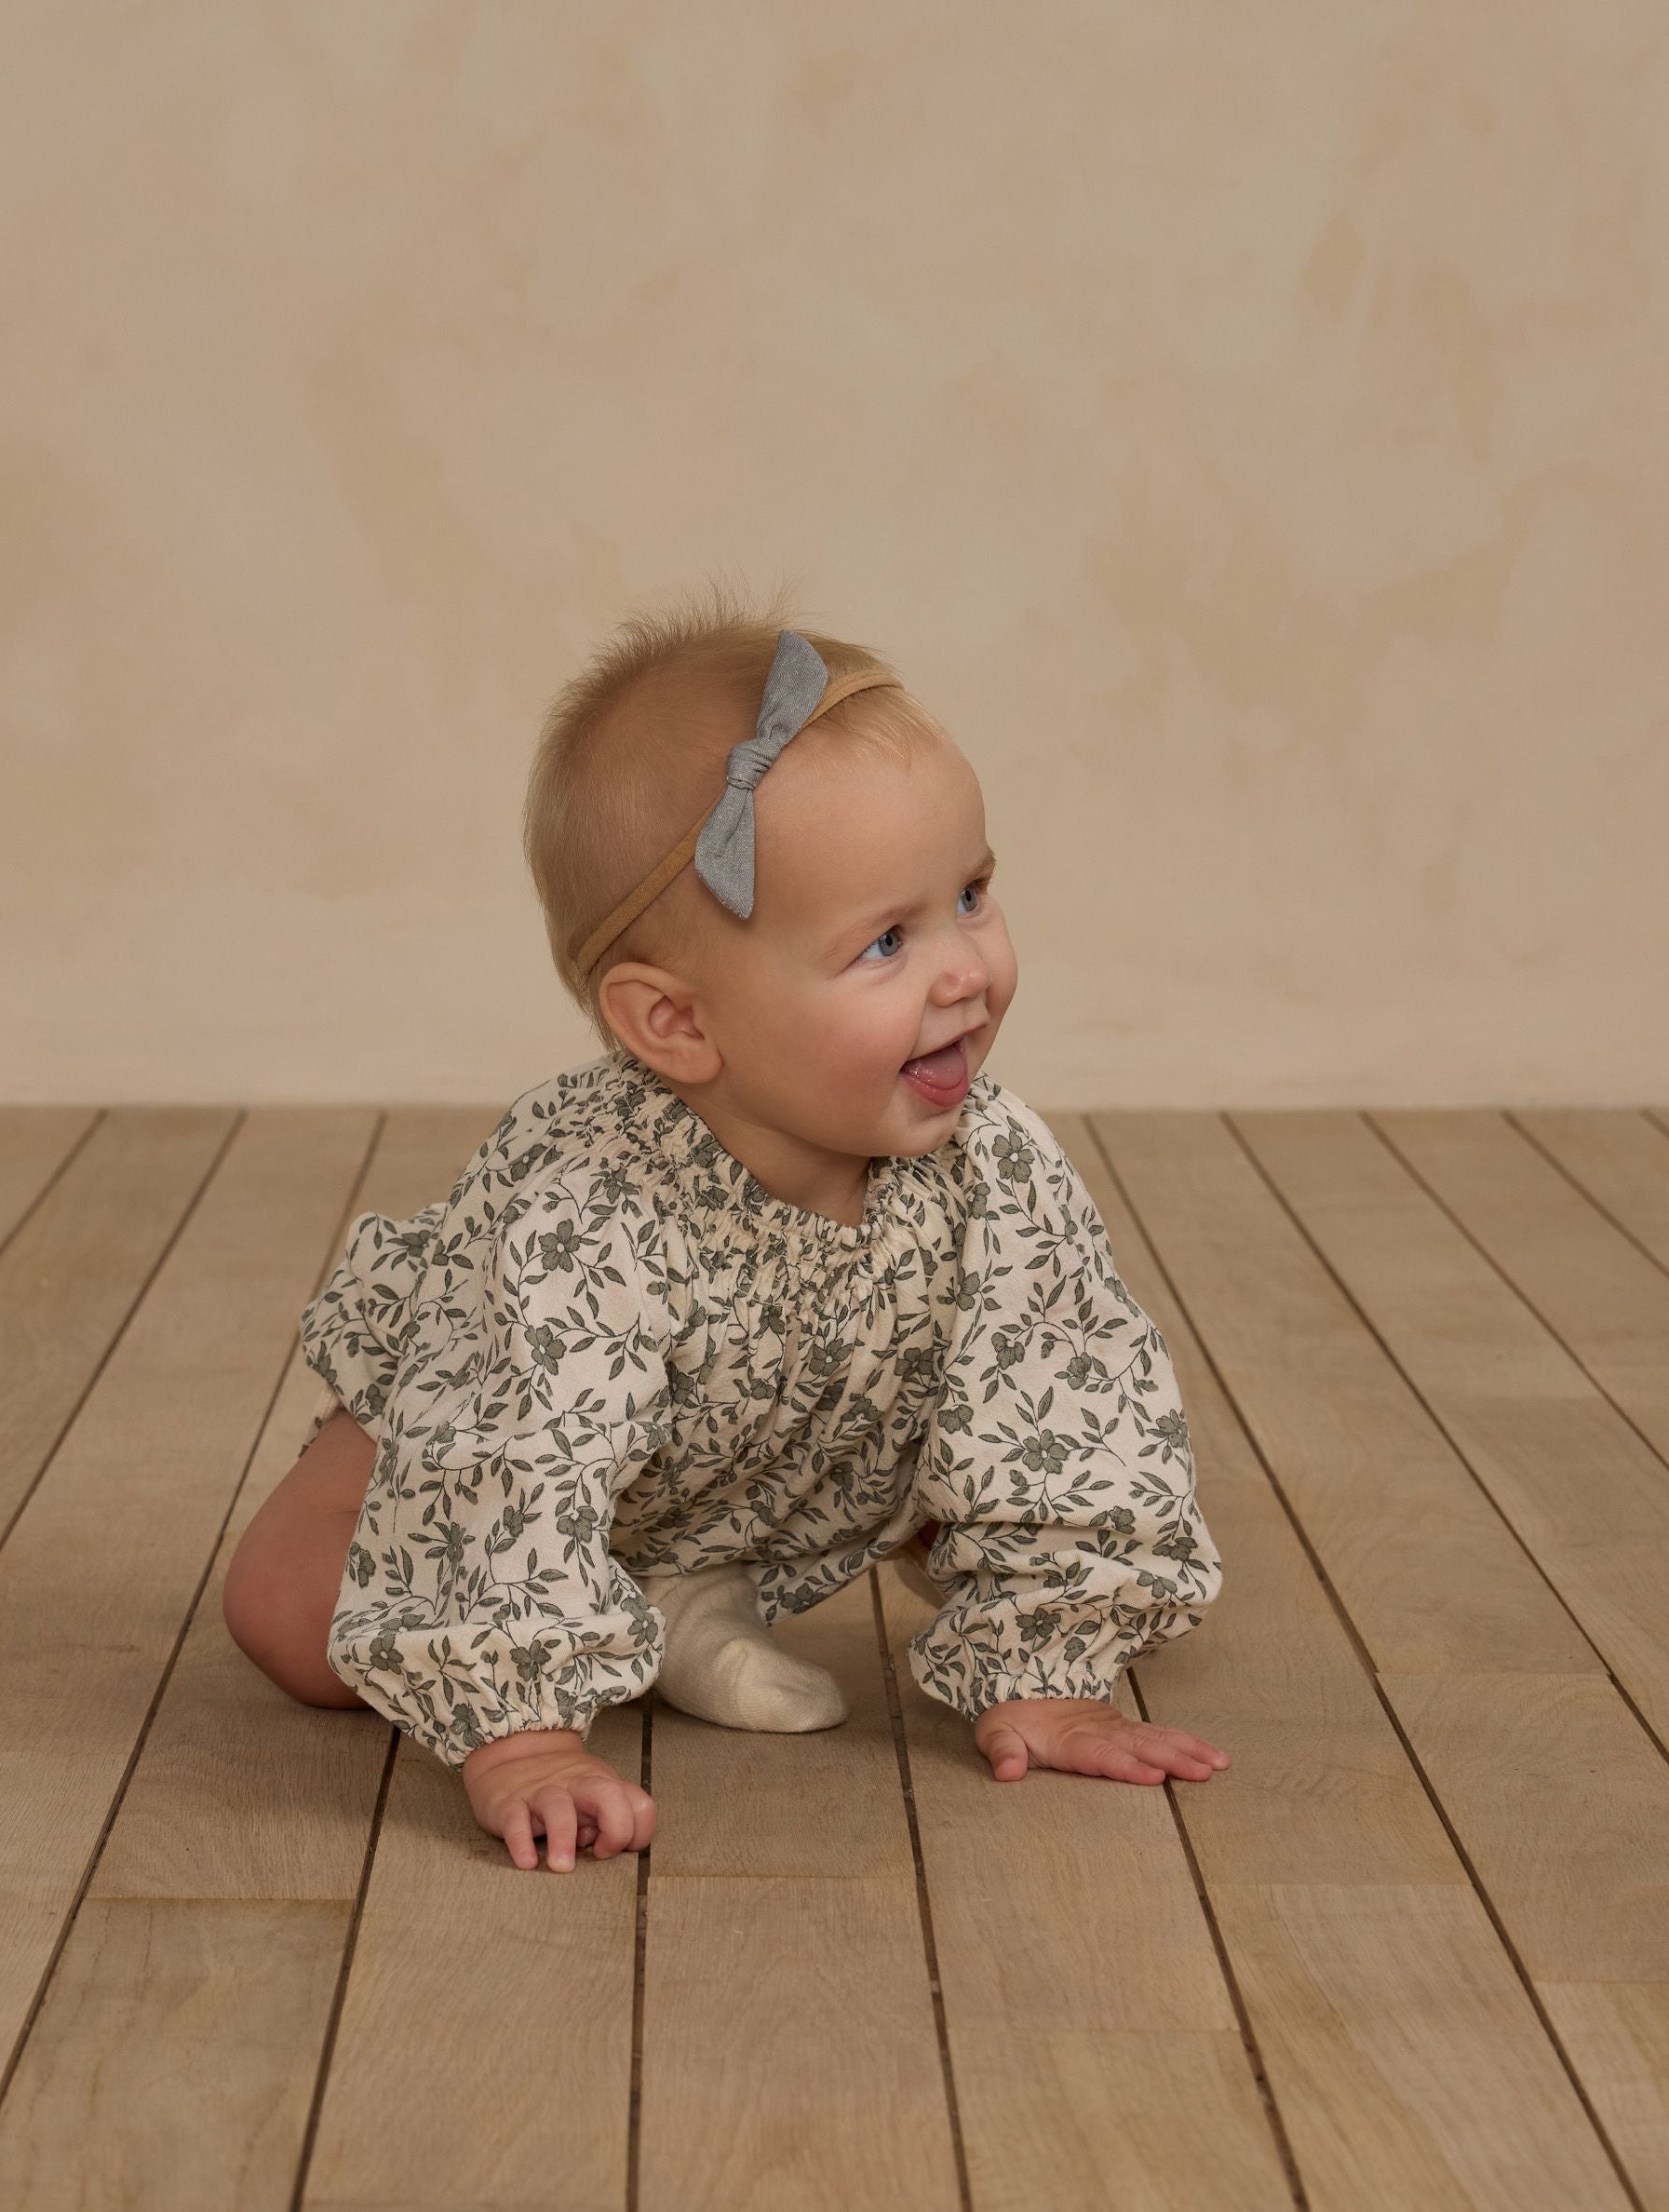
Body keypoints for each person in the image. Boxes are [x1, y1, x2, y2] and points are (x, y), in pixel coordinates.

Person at [223, 589, 1230, 1872]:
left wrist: (1047, 1672)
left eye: (972, 895)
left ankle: (672, 1601)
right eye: (886, 942)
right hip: (485, 1450)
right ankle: (628, 1616)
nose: (966, 970)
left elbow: (1065, 1399)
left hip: (750, 1472)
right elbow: (520, 1450)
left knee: (1017, 1394)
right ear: (678, 1024)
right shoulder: (589, 1211)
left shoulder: (993, 1164)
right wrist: (523, 1739)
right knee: (295, 1617)